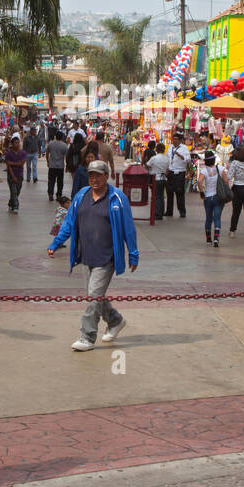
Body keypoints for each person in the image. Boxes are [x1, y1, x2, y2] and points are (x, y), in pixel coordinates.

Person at [48, 160, 139, 351]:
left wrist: (133, 253)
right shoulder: (81, 196)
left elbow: (128, 228)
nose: (94, 179)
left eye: (98, 175)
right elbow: (69, 223)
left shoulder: (118, 198)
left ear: (107, 176)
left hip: (107, 257)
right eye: (91, 175)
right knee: (95, 296)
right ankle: (115, 320)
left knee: (93, 297)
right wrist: (56, 243)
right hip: (86, 255)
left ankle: (87, 337)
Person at [195, 150, 229, 246]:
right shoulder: (220, 168)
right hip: (219, 198)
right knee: (217, 218)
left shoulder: (204, 170)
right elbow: (226, 181)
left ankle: (208, 239)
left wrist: (202, 192)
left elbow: (199, 182)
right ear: (214, 160)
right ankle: (216, 239)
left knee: (208, 218)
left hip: (208, 198)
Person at [166, 132, 192, 218]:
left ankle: (182, 211)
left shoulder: (184, 148)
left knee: (179, 192)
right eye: (173, 139)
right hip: (170, 172)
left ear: (181, 140)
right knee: (169, 192)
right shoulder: (170, 147)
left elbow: (188, 160)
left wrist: (181, 156)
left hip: (180, 172)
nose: (174, 141)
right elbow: (167, 158)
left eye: (176, 139)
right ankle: (169, 211)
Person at [146, 142, 169, 222]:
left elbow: (148, 165)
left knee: (156, 197)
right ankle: (161, 212)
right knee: (161, 196)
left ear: (157, 149)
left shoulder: (154, 158)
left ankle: (157, 214)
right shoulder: (166, 158)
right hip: (164, 179)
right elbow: (167, 169)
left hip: (156, 178)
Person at [4, 135, 27, 213]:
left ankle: (11, 203)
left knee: (17, 191)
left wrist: (12, 163)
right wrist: (13, 176)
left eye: (18, 142)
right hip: (11, 175)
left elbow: (22, 164)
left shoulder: (23, 153)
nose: (17, 144)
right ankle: (16, 206)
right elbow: (8, 165)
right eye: (15, 143)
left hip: (20, 174)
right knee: (13, 191)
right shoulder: (9, 154)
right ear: (12, 144)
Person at [45, 129, 68, 203]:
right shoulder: (64, 145)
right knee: (60, 182)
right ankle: (58, 195)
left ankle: (50, 194)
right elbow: (66, 157)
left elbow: (47, 153)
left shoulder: (51, 144)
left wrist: (48, 161)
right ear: (62, 137)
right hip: (60, 166)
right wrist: (66, 165)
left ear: (55, 136)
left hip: (52, 166)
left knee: (51, 181)